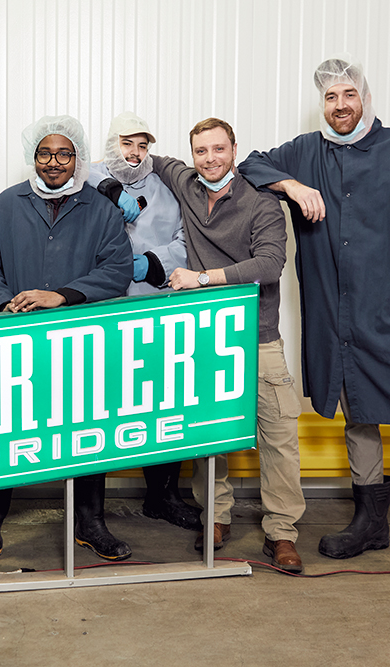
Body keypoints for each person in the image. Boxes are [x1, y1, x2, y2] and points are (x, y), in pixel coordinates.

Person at [239, 56, 390, 603]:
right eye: (330, 98)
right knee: (357, 415)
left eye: (349, 95)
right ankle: (371, 523)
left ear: (365, 97)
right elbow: (251, 164)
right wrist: (292, 185)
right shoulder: (305, 152)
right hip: (335, 318)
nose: (340, 106)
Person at [0, 115, 134, 571]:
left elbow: (117, 270)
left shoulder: (100, 209)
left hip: (81, 343)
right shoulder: (6, 205)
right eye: (45, 153)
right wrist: (4, 304)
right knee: (4, 434)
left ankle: (90, 523)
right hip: (15, 344)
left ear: (79, 158)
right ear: (33, 156)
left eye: (64, 154)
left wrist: (62, 296)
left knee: (88, 432)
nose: (54, 163)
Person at [152, 118, 306, 573]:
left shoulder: (262, 202)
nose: (210, 159)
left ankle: (282, 532)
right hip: (207, 338)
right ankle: (215, 519)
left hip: (258, 338)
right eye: (201, 151)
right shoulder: (186, 183)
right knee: (208, 435)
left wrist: (202, 279)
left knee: (278, 437)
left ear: (234, 149)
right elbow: (151, 161)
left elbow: (270, 264)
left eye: (219, 149)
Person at [87, 112, 200, 533]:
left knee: (166, 400)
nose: (134, 154)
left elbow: (188, 239)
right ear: (110, 145)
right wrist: (107, 185)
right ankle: (90, 513)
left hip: (158, 304)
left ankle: (164, 495)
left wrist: (150, 264)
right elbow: (75, 175)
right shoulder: (90, 178)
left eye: (142, 145)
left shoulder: (168, 189)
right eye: (126, 144)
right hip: (103, 311)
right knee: (98, 403)